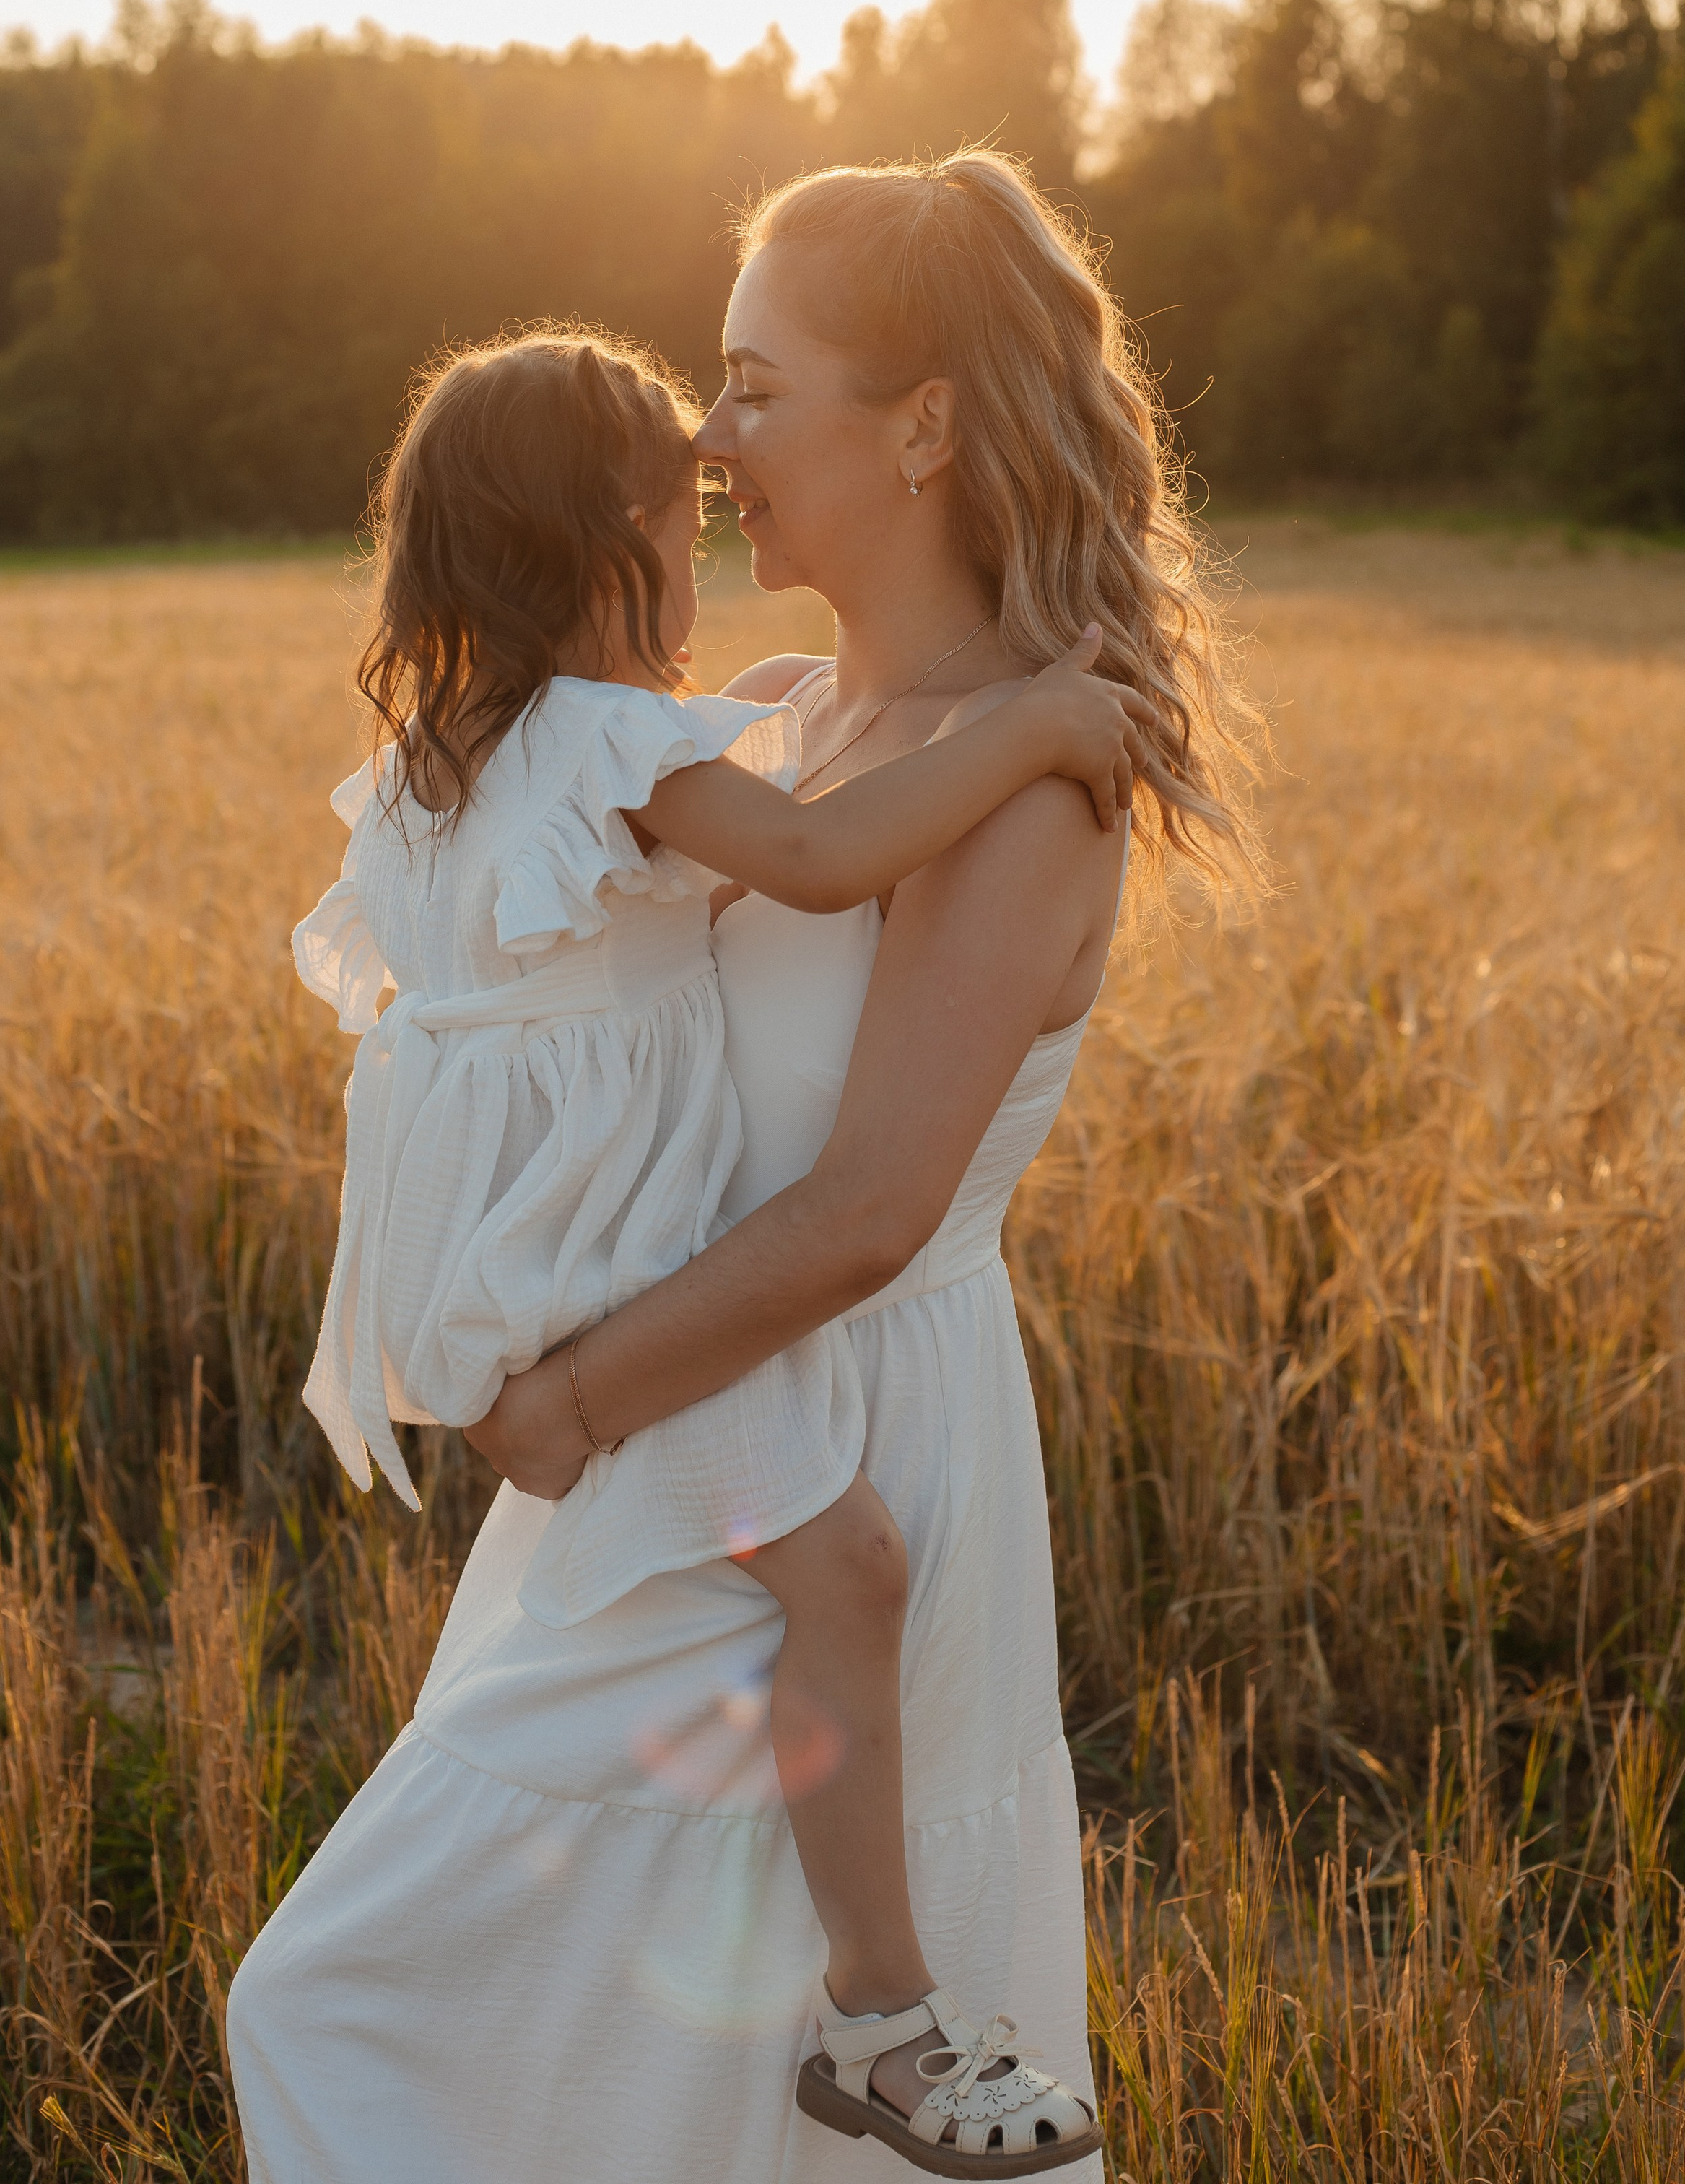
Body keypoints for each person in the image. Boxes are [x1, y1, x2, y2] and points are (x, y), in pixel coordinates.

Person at [227, 150, 1258, 2183]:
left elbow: (870, 1212)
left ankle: (887, 2029)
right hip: (683, 1430)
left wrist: (576, 1398)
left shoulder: (1030, 784)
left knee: (580, 2033)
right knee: (441, 2020)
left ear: (926, 426)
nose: (708, 440)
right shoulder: (774, 720)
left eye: (758, 386)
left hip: (831, 1440)